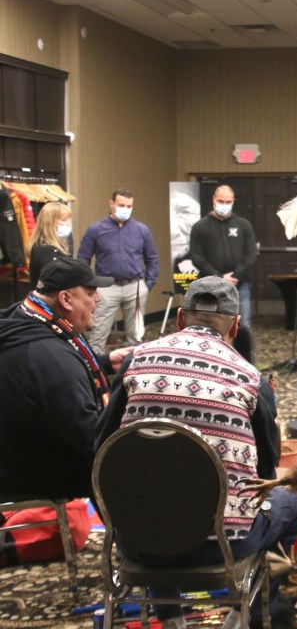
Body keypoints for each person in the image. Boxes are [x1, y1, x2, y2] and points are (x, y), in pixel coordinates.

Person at [96, 276, 297, 629]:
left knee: (157, 498)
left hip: (137, 540)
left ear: (179, 319)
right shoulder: (252, 379)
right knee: (292, 505)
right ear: (235, 326)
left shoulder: (136, 360)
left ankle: (172, 620)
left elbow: (102, 445)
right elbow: (263, 477)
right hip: (222, 548)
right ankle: (243, 613)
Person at [0, 257, 121, 499]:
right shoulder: (51, 358)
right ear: (66, 299)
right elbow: (93, 439)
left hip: (15, 462)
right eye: (91, 292)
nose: (98, 299)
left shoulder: (24, 316)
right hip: (41, 481)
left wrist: (106, 362)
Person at [77, 188, 159, 354]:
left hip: (135, 287)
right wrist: (90, 287)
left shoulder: (141, 230)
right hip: (106, 288)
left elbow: (152, 258)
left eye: (129, 206)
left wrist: (147, 285)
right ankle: (94, 373)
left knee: (136, 335)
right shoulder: (96, 230)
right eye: (121, 205)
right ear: (111, 204)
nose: (125, 209)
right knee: (98, 333)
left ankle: (131, 371)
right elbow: (82, 259)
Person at [188, 185, 257, 328]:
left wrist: (236, 275)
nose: (224, 205)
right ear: (214, 200)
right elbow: (197, 257)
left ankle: (243, 352)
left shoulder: (244, 225)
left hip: (240, 285)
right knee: (212, 326)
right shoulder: (200, 227)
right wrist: (219, 277)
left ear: (233, 201)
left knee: (244, 325)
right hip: (210, 287)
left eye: (228, 202)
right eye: (221, 201)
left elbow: (250, 255)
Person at [27, 201, 73, 286]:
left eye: (69, 219)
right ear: (49, 223)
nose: (69, 223)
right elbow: (54, 283)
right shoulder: (48, 249)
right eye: (64, 220)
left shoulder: (42, 244)